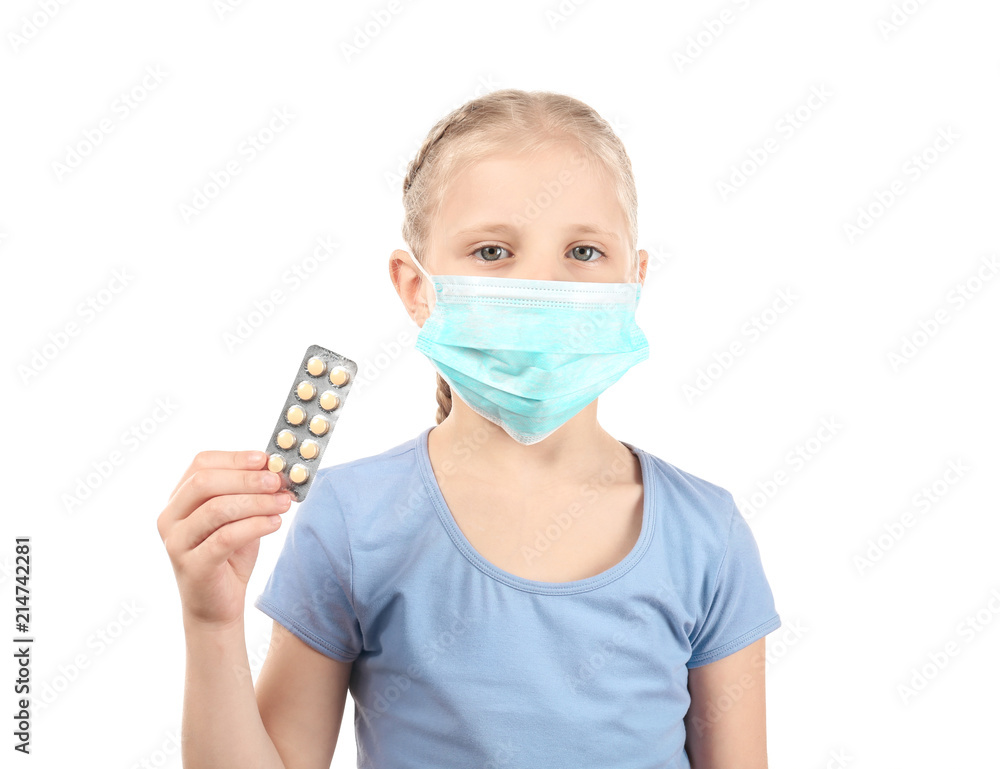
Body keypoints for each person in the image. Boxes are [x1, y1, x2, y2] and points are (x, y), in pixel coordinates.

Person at [157, 88, 781, 769]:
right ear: (417, 288)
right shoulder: (352, 520)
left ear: (635, 280)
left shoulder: (706, 535)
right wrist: (211, 622)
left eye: (583, 251)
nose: (543, 284)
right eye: (491, 251)